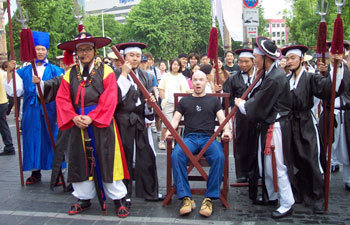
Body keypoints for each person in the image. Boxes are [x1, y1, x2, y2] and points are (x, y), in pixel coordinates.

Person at [54, 32, 130, 217]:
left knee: (108, 158)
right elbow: (62, 99)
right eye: (80, 49)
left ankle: (118, 199)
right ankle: (83, 198)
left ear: (94, 50)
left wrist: (93, 116)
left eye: (87, 49)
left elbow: (110, 97)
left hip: (101, 122)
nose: (84, 53)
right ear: (76, 52)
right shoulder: (69, 74)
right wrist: (73, 117)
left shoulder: (106, 71)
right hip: (77, 123)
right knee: (80, 160)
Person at [235, 36, 295, 219]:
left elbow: (259, 104)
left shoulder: (275, 78)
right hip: (270, 125)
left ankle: (287, 202)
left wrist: (241, 104)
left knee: (277, 166)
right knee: (267, 165)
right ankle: (273, 195)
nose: (254, 60)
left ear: (265, 58)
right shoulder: (271, 74)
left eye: (256, 56)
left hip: (275, 128)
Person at [281, 45, 342, 213]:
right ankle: (299, 193)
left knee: (311, 159)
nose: (290, 61)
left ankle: (317, 197)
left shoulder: (310, 78)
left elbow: (328, 89)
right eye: (288, 58)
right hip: (290, 123)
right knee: (293, 160)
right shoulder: (286, 80)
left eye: (293, 58)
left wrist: (335, 68)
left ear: (301, 59)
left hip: (306, 123)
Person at [166, 70, 232, 217]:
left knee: (219, 157)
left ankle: (209, 198)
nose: (198, 83)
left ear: (206, 82)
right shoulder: (185, 101)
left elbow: (223, 119)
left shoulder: (213, 101)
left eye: (201, 80)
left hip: (208, 138)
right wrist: (170, 130)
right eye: (195, 80)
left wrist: (227, 131)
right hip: (189, 138)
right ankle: (186, 198)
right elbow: (176, 120)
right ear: (192, 82)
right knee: (176, 155)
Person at [5, 31, 64, 185]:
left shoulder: (56, 71)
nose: (40, 52)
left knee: (52, 140)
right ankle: (35, 172)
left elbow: (62, 92)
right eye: (37, 49)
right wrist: (10, 72)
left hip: (50, 111)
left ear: (47, 51)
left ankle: (57, 173)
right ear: (32, 50)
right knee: (32, 140)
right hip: (31, 112)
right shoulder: (24, 71)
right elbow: (14, 91)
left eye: (42, 49)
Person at [114, 41, 162, 207]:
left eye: (137, 56)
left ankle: (149, 191)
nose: (135, 59)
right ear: (123, 57)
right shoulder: (116, 74)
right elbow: (115, 98)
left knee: (147, 154)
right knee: (125, 156)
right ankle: (123, 193)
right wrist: (124, 75)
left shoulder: (144, 75)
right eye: (131, 56)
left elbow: (145, 100)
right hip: (122, 120)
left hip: (140, 119)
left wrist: (150, 104)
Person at [223, 49, 260, 191]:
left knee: (257, 143)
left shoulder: (260, 77)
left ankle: (256, 171)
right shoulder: (233, 78)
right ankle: (242, 173)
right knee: (241, 143)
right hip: (240, 116)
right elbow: (226, 97)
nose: (243, 65)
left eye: (246, 62)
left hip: (257, 115)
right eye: (241, 62)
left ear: (252, 62)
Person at [318, 41, 350, 193]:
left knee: (348, 148)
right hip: (330, 111)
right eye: (333, 53)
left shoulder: (348, 70)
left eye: (339, 53)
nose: (335, 56)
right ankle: (324, 178)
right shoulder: (323, 71)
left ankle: (348, 180)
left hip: (346, 113)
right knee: (326, 147)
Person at [158, 58, 190, 150]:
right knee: (167, 123)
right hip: (169, 102)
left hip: (180, 103)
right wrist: (164, 99)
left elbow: (186, 90)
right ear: (171, 65)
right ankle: (162, 141)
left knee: (178, 124)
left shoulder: (181, 77)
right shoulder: (166, 76)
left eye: (177, 65)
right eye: (174, 64)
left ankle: (174, 141)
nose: (175, 66)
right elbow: (161, 89)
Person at [0, 61, 16, 156]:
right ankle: (9, 146)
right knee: (3, 126)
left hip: (1, 102)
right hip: (3, 102)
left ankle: (9, 146)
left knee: (3, 126)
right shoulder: (3, 73)